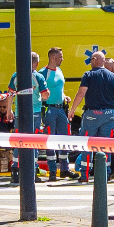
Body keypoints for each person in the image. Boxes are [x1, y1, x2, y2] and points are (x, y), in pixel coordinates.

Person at [71, 52, 114, 183]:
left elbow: (81, 93)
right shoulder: (113, 76)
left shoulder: (88, 75)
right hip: (109, 115)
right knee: (106, 145)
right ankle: (106, 174)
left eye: (91, 59)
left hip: (92, 115)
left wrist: (72, 109)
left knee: (87, 144)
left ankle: (85, 174)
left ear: (95, 60)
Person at [37, 47, 73, 180]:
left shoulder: (60, 71)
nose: (62, 59)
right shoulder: (43, 73)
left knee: (64, 138)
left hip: (60, 108)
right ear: (53, 58)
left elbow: (60, 89)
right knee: (50, 139)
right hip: (49, 109)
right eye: (60, 57)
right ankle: (53, 170)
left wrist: (64, 96)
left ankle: (64, 168)